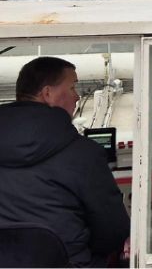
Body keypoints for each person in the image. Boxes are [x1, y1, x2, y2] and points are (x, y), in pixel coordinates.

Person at [0, 57, 130, 267]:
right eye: (72, 87)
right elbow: (113, 232)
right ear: (48, 94)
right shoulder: (83, 154)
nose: (77, 96)